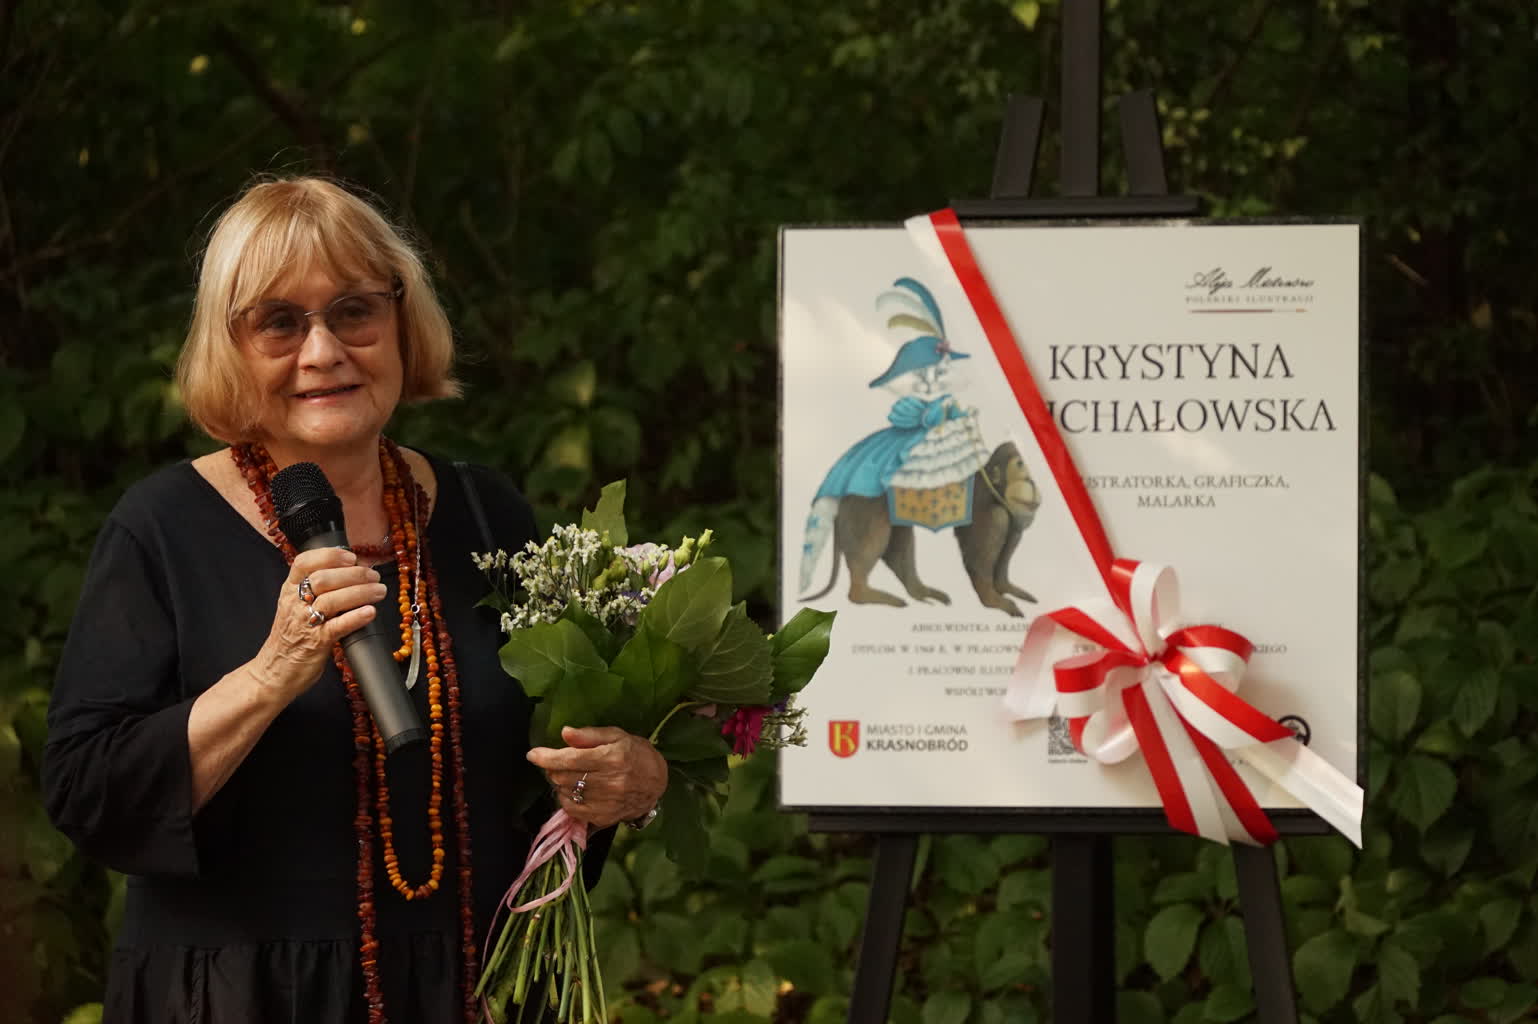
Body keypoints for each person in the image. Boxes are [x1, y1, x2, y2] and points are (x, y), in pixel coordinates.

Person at [43, 176, 668, 1024]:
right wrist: (271, 673)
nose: (323, 351)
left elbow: (544, 775)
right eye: (279, 322)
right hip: (248, 1000)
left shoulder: (487, 513)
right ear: (230, 346)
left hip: (474, 990)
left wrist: (631, 781)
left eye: (353, 312)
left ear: (402, 323)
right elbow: (88, 793)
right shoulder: (161, 529)